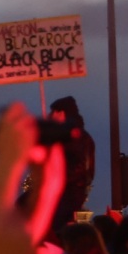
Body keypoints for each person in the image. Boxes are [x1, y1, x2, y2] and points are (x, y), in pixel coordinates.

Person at [49, 95, 95, 230]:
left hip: (67, 191)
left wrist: (58, 177)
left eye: (53, 112)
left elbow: (79, 166)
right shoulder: (73, 136)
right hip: (69, 189)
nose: (50, 115)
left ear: (61, 113)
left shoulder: (73, 136)